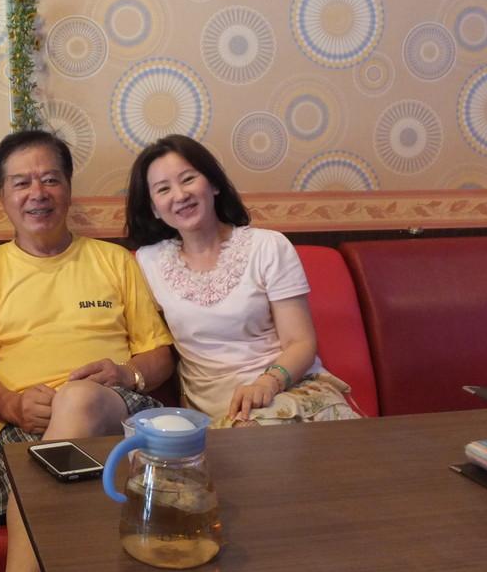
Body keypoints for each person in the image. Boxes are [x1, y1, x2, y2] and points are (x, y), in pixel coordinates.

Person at [0, 130, 174, 572]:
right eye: (21, 182)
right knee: (73, 437)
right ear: (3, 195)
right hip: (23, 428)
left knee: (81, 398)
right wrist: (11, 404)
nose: (37, 193)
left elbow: (158, 354)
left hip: (119, 410)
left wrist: (126, 373)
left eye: (50, 179)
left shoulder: (114, 261)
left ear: (68, 188)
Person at [125, 134, 360, 426]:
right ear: (153, 208)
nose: (180, 195)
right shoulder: (147, 262)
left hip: (287, 389)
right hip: (219, 411)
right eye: (163, 189)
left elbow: (300, 342)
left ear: (213, 184)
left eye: (188, 179)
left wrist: (267, 383)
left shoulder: (269, 246)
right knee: (247, 434)